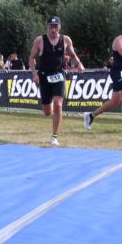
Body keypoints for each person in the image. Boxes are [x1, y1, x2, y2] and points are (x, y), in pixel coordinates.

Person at [29, 16, 84, 146]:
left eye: (55, 26)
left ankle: (54, 136)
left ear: (59, 27)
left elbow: (72, 54)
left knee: (58, 104)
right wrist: (34, 73)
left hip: (59, 75)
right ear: (47, 27)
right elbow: (31, 58)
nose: (53, 29)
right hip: (44, 76)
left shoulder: (65, 40)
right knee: (47, 111)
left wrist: (79, 64)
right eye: (51, 26)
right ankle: (50, 106)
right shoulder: (39, 41)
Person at [84, 20, 122, 136]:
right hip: (116, 73)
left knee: (114, 101)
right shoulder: (119, 40)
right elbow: (121, 52)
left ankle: (90, 115)